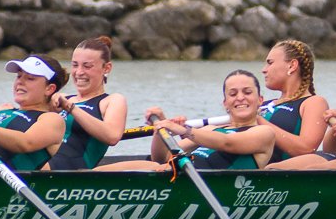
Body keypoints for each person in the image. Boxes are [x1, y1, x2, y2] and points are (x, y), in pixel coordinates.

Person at [100, 70, 276, 172]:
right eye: (232, 94)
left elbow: (228, 143)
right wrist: (163, 128)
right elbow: (162, 157)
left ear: (260, 100)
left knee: (152, 167)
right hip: (175, 173)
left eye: (247, 92)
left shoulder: (264, 133)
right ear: (225, 103)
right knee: (102, 172)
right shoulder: (210, 130)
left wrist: (183, 130)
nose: (240, 98)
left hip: (202, 186)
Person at [48, 35, 129, 171]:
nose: (79, 72)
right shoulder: (61, 98)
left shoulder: (112, 101)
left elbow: (112, 136)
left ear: (107, 68)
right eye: (75, 65)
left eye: (87, 66)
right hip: (45, 162)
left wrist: (70, 108)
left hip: (73, 170)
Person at [259, 39, 330, 163]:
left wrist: (258, 121)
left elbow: (306, 148)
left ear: (292, 66)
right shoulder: (264, 105)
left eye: (270, 63)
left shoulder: (313, 103)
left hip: (279, 174)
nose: (264, 70)